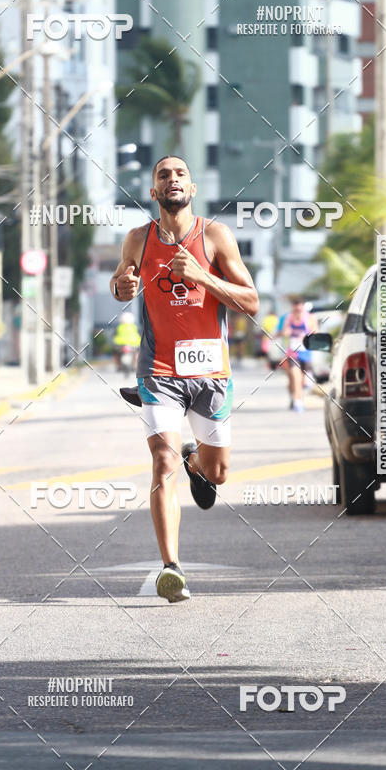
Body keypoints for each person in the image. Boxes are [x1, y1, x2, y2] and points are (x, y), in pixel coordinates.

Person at [109, 155, 259, 603]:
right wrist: (122, 285)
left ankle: (199, 464)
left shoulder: (214, 236)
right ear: (154, 192)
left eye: (180, 174)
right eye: (163, 175)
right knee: (162, 462)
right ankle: (171, 568)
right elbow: (122, 280)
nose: (171, 179)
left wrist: (202, 276)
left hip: (211, 373)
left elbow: (250, 301)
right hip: (159, 371)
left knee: (219, 472)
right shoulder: (138, 238)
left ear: (191, 189)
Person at [277, 297, 318, 412]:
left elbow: (316, 331)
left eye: (299, 307)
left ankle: (298, 396)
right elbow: (285, 332)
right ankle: (297, 401)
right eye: (295, 307)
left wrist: (306, 335)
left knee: (304, 382)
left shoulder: (310, 318)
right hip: (293, 353)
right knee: (295, 377)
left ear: (302, 306)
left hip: (306, 353)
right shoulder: (289, 318)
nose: (297, 310)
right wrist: (288, 332)